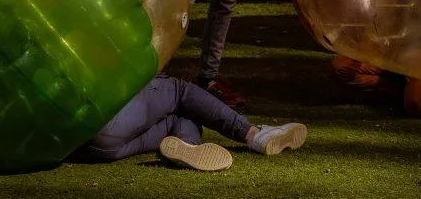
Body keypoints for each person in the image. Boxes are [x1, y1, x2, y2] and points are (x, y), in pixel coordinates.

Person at [81, 74, 307, 171]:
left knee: (181, 116)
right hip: (101, 115)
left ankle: (186, 144)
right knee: (179, 91)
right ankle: (254, 134)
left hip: (89, 148)